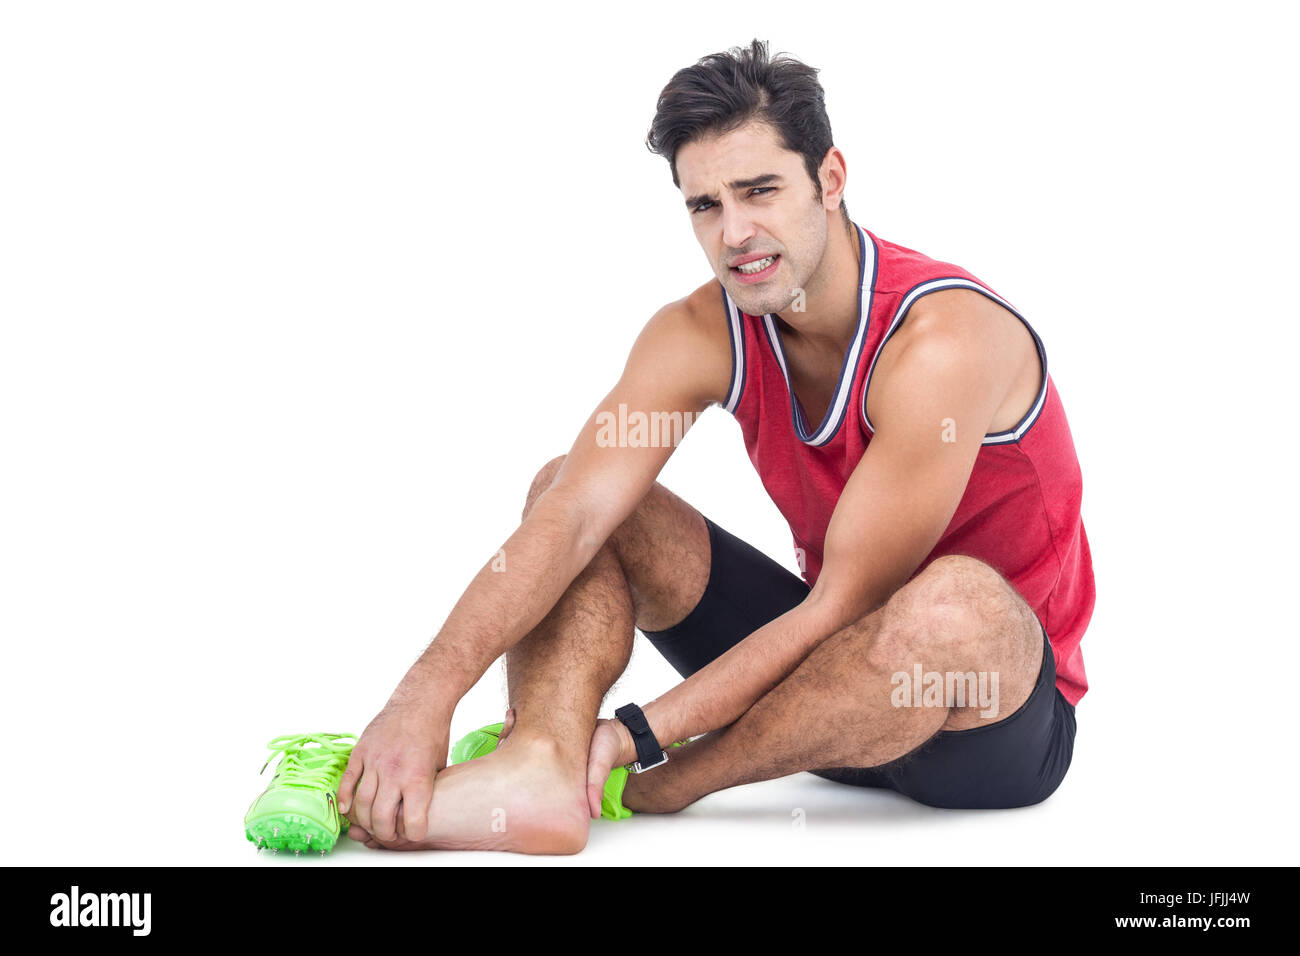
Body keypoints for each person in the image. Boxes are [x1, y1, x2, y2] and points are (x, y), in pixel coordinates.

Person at [336, 39, 1095, 854]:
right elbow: (576, 518)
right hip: (816, 702)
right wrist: (421, 700)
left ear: (830, 180)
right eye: (705, 205)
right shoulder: (699, 331)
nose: (736, 232)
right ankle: (542, 769)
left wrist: (639, 745)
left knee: (954, 603)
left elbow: (848, 602)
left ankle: (654, 787)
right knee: (572, 485)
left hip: (980, 725)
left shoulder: (941, 339)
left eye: (760, 190)